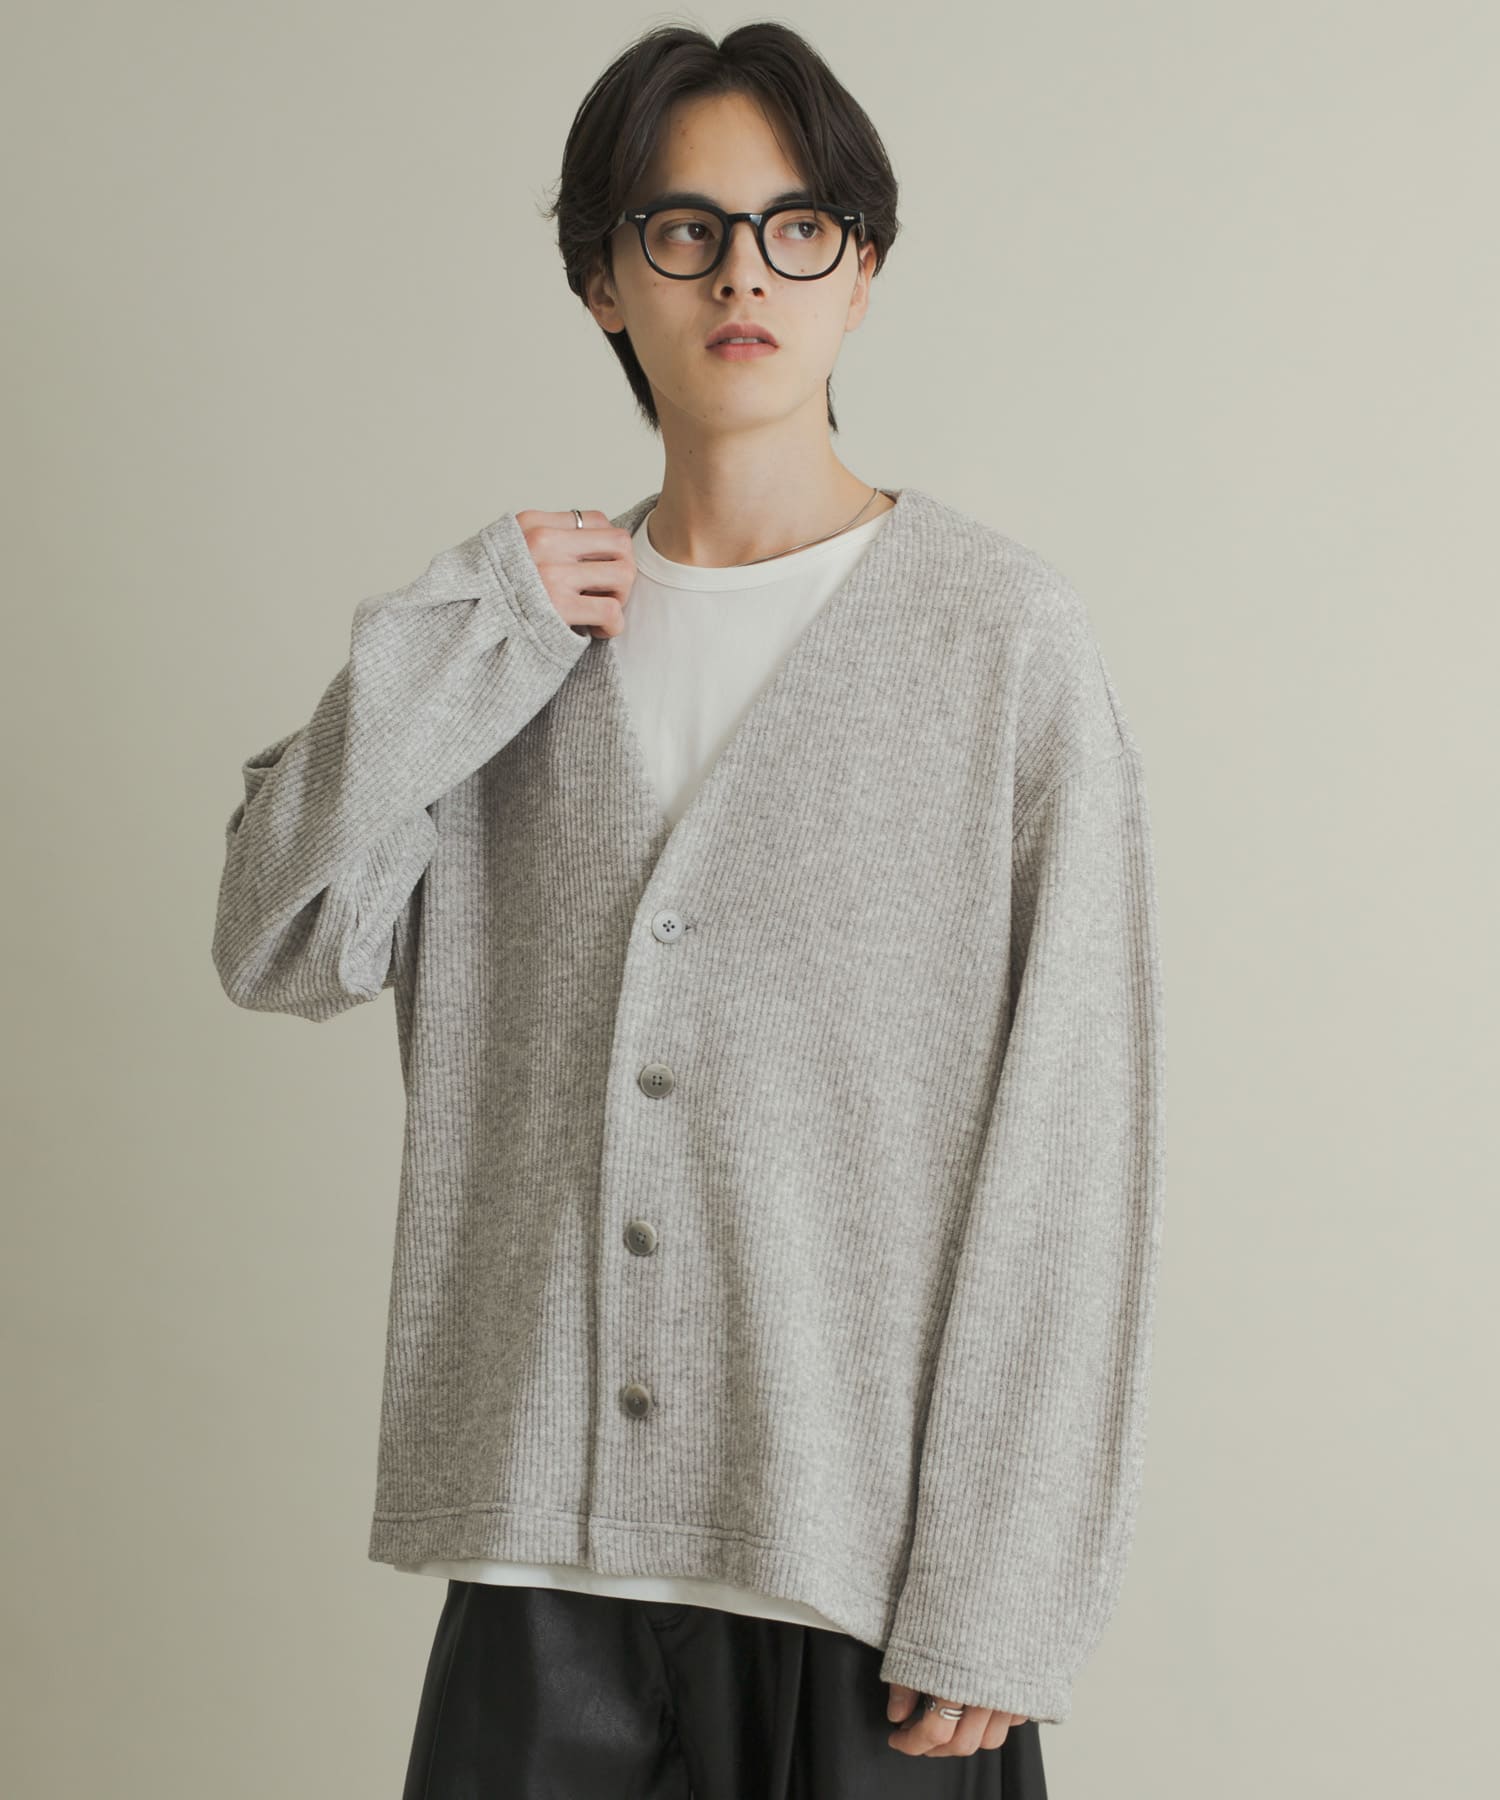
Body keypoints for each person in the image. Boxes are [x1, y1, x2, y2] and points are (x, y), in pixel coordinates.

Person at [212, 20, 1164, 1798]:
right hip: (539, 1585)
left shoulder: (1000, 643)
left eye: (799, 228)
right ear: (602, 280)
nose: (744, 274)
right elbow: (277, 941)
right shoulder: (510, 643)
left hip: (864, 1591)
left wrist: (1005, 1588)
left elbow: (1075, 1146)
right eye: (684, 230)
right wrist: (449, 638)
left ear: (862, 272)